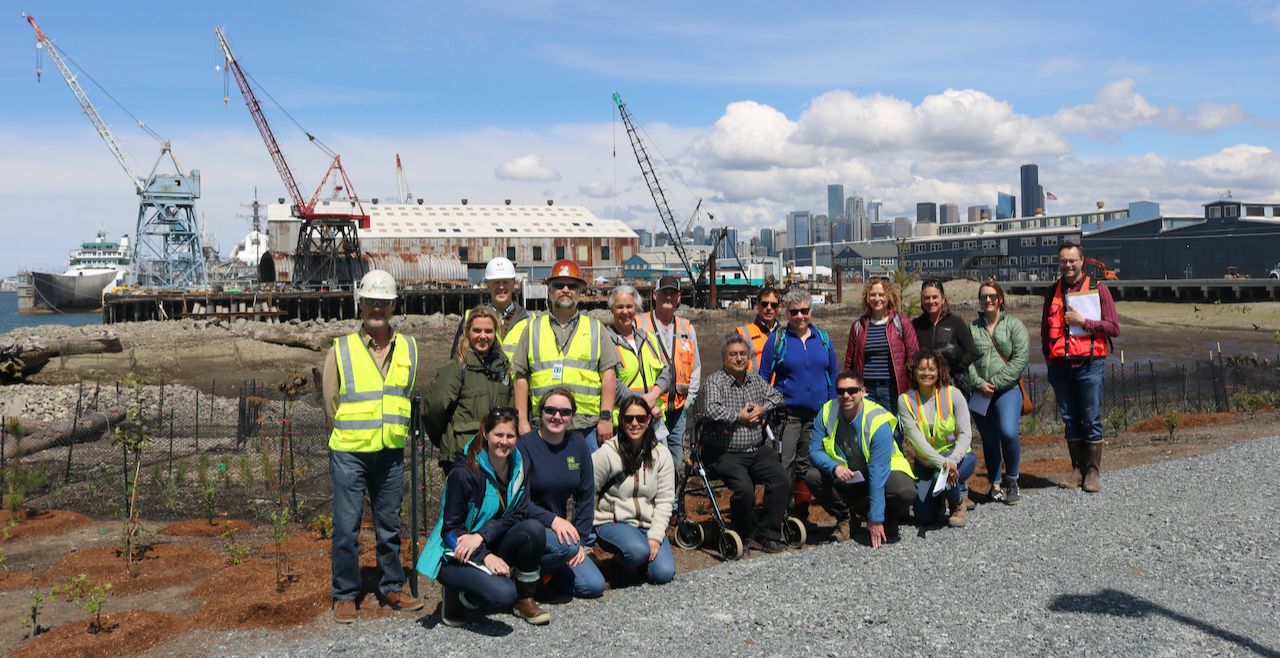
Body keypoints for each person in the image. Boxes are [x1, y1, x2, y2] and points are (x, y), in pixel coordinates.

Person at [322, 269, 423, 622]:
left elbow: (405, 396)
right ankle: (345, 595)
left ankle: (392, 586)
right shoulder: (341, 349)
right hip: (350, 452)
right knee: (346, 529)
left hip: (391, 453)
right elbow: (331, 404)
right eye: (371, 302)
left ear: (393, 304)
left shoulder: (409, 347)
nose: (376, 308)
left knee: (389, 526)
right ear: (360, 303)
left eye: (383, 302)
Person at [416, 408, 551, 627]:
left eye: (510, 436)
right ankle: (456, 592)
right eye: (498, 434)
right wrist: (484, 556)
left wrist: (482, 536)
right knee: (503, 595)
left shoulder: (521, 465)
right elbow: (450, 531)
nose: (504, 442)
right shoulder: (464, 473)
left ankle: (525, 598)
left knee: (533, 530)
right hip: (455, 551)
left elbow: (520, 512)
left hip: (487, 541)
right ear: (486, 434)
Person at [513, 259, 620, 447]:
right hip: (543, 426)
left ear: (579, 291)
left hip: (586, 427)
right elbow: (521, 377)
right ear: (549, 290)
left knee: (589, 476)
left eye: (571, 286)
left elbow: (609, 376)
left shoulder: (596, 329)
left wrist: (606, 417)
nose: (565, 290)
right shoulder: (532, 329)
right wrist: (522, 421)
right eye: (558, 285)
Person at [1041, 242, 1119, 493]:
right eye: (1064, 260)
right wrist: (1049, 361)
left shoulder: (1099, 289)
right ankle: (1077, 470)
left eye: (1072, 260)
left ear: (1082, 261)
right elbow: (1045, 332)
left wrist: (1084, 322)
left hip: (1089, 364)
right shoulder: (1052, 291)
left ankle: (1093, 472)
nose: (1068, 265)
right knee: (1070, 419)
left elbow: (1113, 328)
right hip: (1060, 366)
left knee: (1091, 418)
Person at [701, 334, 789, 554]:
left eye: (743, 354)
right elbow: (711, 409)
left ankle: (767, 533)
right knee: (745, 489)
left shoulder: (755, 380)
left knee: (781, 479)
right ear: (724, 358)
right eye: (733, 354)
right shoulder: (715, 381)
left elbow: (778, 396)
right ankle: (744, 533)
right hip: (724, 452)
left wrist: (763, 408)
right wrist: (737, 416)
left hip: (755, 449)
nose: (739, 358)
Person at [806, 371, 916, 547]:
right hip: (847, 474)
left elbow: (878, 472)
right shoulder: (827, 411)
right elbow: (814, 450)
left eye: (852, 390)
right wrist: (834, 467)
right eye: (841, 391)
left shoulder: (877, 419)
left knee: (904, 490)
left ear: (862, 391)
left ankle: (887, 517)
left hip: (883, 473)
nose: (846, 395)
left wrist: (876, 518)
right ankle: (846, 518)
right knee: (813, 476)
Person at [758, 288, 838, 523]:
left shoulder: (822, 338)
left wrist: (832, 407)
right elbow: (764, 376)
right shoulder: (778, 340)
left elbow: (833, 373)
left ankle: (800, 514)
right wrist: (769, 406)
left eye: (805, 311)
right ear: (787, 313)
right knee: (784, 463)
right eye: (795, 312)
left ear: (811, 311)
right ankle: (775, 515)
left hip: (817, 415)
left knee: (808, 465)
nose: (800, 316)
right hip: (788, 415)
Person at [517, 389, 605, 599]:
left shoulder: (578, 446)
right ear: (540, 413)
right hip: (527, 526)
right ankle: (521, 575)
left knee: (593, 586)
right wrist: (553, 520)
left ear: (572, 416)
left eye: (564, 412)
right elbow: (518, 500)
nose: (557, 416)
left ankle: (545, 575)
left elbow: (585, 496)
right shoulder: (525, 446)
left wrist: (582, 542)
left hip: (559, 534)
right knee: (567, 549)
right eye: (551, 410)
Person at [592, 396, 676, 585]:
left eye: (640, 418)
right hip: (613, 522)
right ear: (620, 420)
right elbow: (589, 491)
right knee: (638, 551)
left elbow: (664, 500)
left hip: (647, 525)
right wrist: (593, 522)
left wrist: (655, 537)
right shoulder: (607, 453)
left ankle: (635, 562)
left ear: (648, 420)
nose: (635, 423)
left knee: (663, 573)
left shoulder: (661, 454)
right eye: (629, 419)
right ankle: (619, 564)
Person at [425, 305, 514, 473]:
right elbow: (434, 410)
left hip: (496, 455)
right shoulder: (456, 368)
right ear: (467, 333)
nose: (482, 336)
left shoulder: (503, 369)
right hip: (462, 455)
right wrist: (446, 439)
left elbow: (510, 409)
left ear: (495, 334)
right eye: (477, 330)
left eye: (488, 331)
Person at [897, 349, 975, 528]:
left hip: (959, 458)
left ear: (939, 371)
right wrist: (943, 463)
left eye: (931, 369)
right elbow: (917, 441)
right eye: (922, 369)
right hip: (926, 464)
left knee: (942, 478)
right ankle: (939, 498)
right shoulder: (905, 400)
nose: (927, 373)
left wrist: (952, 461)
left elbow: (965, 433)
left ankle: (957, 504)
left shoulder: (953, 394)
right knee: (924, 519)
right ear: (913, 371)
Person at [968, 280, 1030, 504]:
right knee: (989, 438)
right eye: (983, 297)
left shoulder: (1014, 325)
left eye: (992, 296)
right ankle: (994, 484)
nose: (988, 300)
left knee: (1008, 432)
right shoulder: (972, 328)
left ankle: (1012, 480)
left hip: (1007, 391)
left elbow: (1020, 359)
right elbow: (966, 360)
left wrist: (994, 383)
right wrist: (977, 382)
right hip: (979, 392)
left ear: (1000, 299)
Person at [637, 275, 701, 466]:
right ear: (655, 294)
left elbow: (695, 367)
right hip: (650, 408)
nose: (668, 297)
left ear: (679, 297)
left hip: (678, 409)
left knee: (675, 461)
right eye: (664, 292)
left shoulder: (686, 327)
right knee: (649, 460)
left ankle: (672, 496)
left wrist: (688, 401)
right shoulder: (639, 324)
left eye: (672, 293)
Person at [844, 276, 919, 415]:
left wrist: (912, 388)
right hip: (866, 390)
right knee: (867, 432)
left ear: (889, 297)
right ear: (867, 297)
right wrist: (848, 388)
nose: (877, 298)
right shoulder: (858, 326)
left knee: (893, 432)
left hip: (892, 389)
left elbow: (913, 357)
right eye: (872, 294)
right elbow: (849, 361)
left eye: (881, 294)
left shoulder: (901, 323)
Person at [605, 285, 672, 428]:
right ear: (611, 309)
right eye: (619, 307)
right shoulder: (604, 340)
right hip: (626, 422)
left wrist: (653, 395)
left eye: (629, 306)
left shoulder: (649, 338)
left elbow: (665, 373)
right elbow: (612, 384)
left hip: (655, 419)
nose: (625, 311)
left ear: (636, 308)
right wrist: (643, 404)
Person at [449, 256, 531, 360]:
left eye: (505, 281)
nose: (501, 287)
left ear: (514, 283)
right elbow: (456, 359)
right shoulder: (470, 318)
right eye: (496, 282)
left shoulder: (529, 320)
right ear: (487, 284)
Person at [912, 280, 979, 397]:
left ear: (942, 299)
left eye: (935, 297)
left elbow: (972, 352)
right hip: (925, 385)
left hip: (951, 385)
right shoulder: (916, 324)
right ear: (922, 300)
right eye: (926, 298)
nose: (931, 301)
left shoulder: (956, 322)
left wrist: (955, 368)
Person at [735, 286, 783, 372]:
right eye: (764, 304)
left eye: (773, 305)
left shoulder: (785, 334)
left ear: (779, 308)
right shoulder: (743, 333)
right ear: (757, 306)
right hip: (752, 384)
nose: (769, 308)